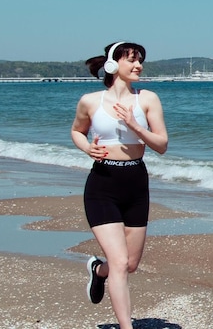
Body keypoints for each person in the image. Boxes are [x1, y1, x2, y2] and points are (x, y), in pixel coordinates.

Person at [70, 41, 168, 329]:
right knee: (120, 262)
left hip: (136, 183)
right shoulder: (90, 101)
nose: (139, 66)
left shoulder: (147, 99)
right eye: (132, 60)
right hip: (102, 184)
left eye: (140, 61)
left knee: (129, 265)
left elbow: (161, 144)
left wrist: (136, 126)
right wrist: (87, 148)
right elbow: (76, 131)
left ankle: (98, 271)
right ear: (113, 64)